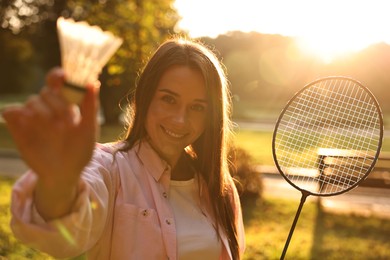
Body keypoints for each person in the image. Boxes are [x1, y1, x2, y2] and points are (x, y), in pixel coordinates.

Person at [3, 37, 245, 259]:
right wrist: (60, 182)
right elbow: (63, 237)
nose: (180, 120)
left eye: (197, 107)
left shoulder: (220, 189)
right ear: (144, 98)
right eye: (168, 99)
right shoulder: (108, 168)